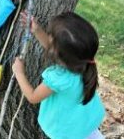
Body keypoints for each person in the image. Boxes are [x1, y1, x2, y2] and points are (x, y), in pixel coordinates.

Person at [12, 11, 105, 139]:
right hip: (87, 122)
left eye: (51, 37)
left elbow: (33, 97)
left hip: (69, 132)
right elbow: (56, 51)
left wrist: (19, 73)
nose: (49, 38)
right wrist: (37, 30)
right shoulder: (83, 62)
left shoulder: (59, 78)